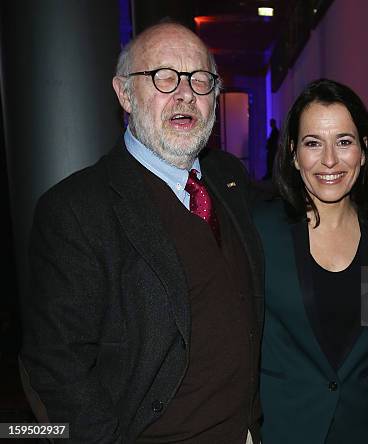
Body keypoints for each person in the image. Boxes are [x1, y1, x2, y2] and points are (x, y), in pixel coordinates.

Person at [20, 22, 264, 443]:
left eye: (200, 80)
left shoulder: (229, 178)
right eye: (164, 77)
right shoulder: (76, 210)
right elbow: (58, 370)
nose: (185, 94)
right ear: (124, 93)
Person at [254, 79, 368, 444]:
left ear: (364, 148)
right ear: (293, 152)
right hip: (280, 433)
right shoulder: (260, 230)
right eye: (312, 143)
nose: (330, 160)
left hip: (360, 432)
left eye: (344, 141)